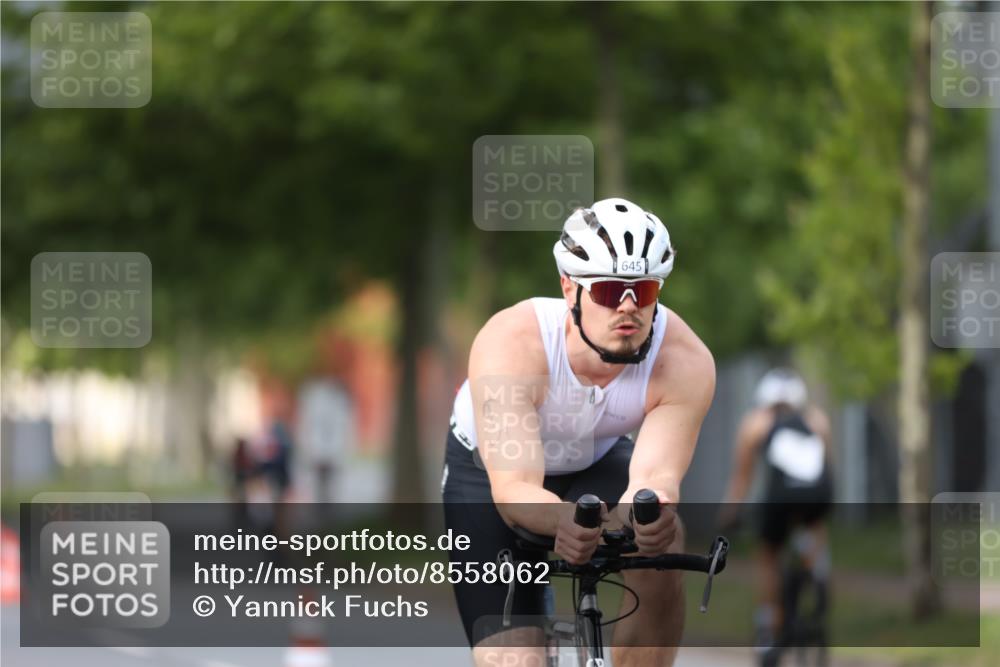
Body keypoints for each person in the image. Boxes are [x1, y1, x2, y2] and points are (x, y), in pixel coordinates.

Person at [441, 198, 716, 667]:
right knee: (515, 661)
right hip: (489, 476)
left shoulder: (685, 361)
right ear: (570, 288)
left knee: (664, 540)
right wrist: (563, 521)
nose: (628, 307)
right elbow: (515, 490)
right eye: (609, 292)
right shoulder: (513, 342)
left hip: (593, 461)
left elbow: (652, 478)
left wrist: (645, 518)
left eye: (644, 290)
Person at [721, 368, 834, 658]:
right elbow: (826, 466)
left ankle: (768, 624)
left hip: (779, 500)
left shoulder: (756, 422)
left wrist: (730, 514)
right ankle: (816, 566)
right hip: (817, 498)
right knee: (814, 524)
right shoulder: (817, 419)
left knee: (769, 556)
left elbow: (742, 477)